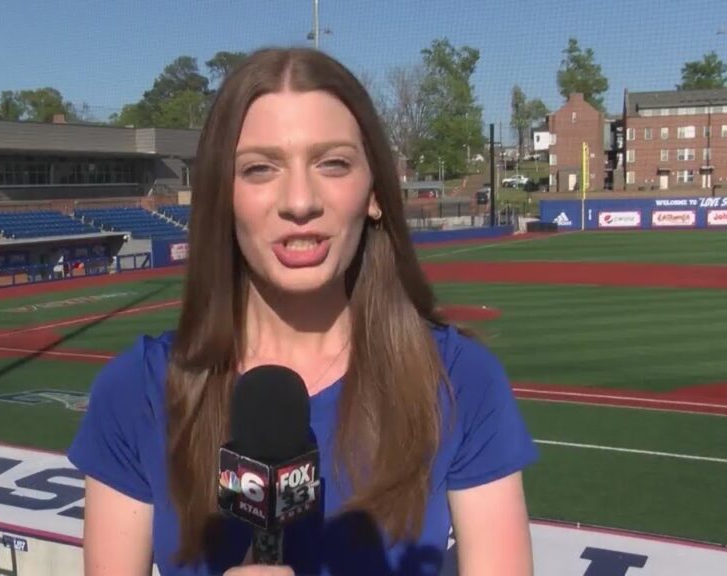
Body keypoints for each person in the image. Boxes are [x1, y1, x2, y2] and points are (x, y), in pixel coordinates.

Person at [68, 46, 538, 576]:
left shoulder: (460, 381)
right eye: (260, 168)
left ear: (375, 192)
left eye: (332, 163)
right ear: (224, 197)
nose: (299, 200)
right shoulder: (136, 391)